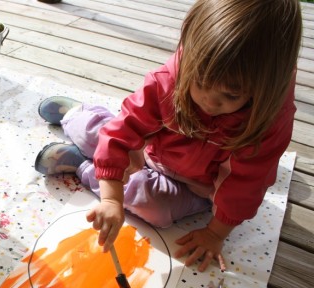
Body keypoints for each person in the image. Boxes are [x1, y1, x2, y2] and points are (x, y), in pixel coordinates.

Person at [34, 0, 302, 272]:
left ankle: (82, 165)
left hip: (198, 185)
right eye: (199, 82)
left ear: (265, 88)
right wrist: (111, 199)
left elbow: (244, 186)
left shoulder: (267, 122)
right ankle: (76, 115)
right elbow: (126, 129)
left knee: (155, 209)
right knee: (103, 133)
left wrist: (214, 234)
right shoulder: (170, 79)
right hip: (150, 151)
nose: (208, 101)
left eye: (230, 95)